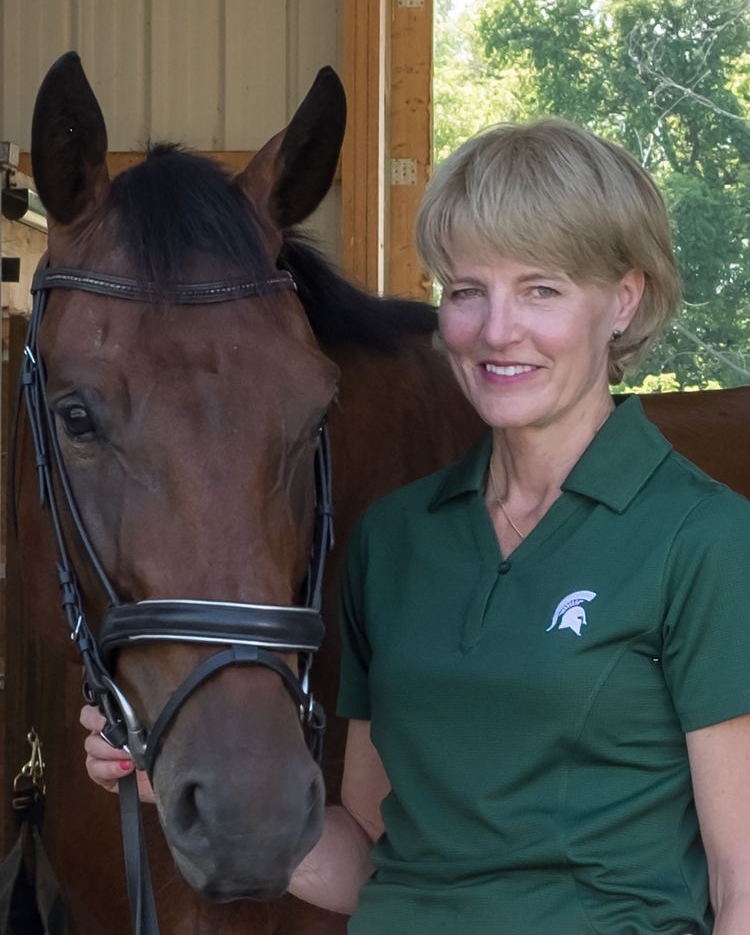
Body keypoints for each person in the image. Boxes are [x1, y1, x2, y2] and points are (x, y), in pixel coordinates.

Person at [81, 118, 750, 933]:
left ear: (624, 300)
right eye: (468, 290)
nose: (497, 330)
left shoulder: (702, 536)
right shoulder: (396, 538)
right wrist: (159, 763)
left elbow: (739, 883)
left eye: (541, 288)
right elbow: (373, 857)